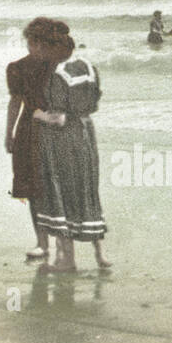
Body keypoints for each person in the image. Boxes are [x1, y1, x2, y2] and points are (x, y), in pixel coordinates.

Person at [35, 47, 111, 273]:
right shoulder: (88, 67)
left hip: (64, 137)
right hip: (86, 131)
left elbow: (57, 118)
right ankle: (100, 255)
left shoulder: (57, 74)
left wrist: (35, 114)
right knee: (87, 189)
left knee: (63, 193)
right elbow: (93, 104)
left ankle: (67, 260)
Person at [6, 17, 65, 261]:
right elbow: (15, 101)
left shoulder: (57, 66)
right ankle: (47, 243)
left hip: (46, 128)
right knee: (36, 188)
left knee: (49, 189)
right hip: (33, 129)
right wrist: (9, 133)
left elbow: (15, 103)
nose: (35, 46)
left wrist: (9, 133)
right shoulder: (19, 67)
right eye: (33, 42)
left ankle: (53, 243)